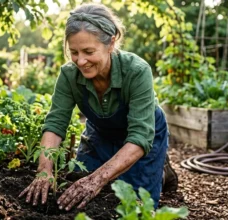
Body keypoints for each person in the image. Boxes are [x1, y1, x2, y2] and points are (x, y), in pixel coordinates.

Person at [19, 3, 178, 211]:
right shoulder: (69, 75)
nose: (81, 60)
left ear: (111, 43)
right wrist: (44, 170)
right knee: (78, 190)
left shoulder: (137, 71)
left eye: (88, 51)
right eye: (74, 52)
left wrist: (96, 180)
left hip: (141, 137)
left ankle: (160, 171)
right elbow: (56, 124)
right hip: (100, 133)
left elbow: (140, 136)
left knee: (135, 207)